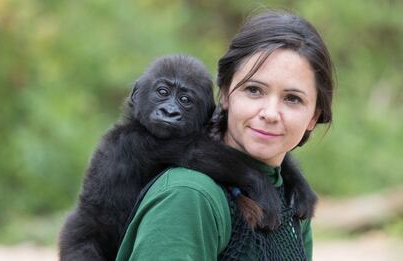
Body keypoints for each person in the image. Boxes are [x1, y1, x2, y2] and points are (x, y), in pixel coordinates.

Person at [116, 9, 334, 261]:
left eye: (292, 98)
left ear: (313, 117)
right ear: (226, 94)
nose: (271, 113)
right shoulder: (190, 196)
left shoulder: (291, 197)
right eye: (254, 90)